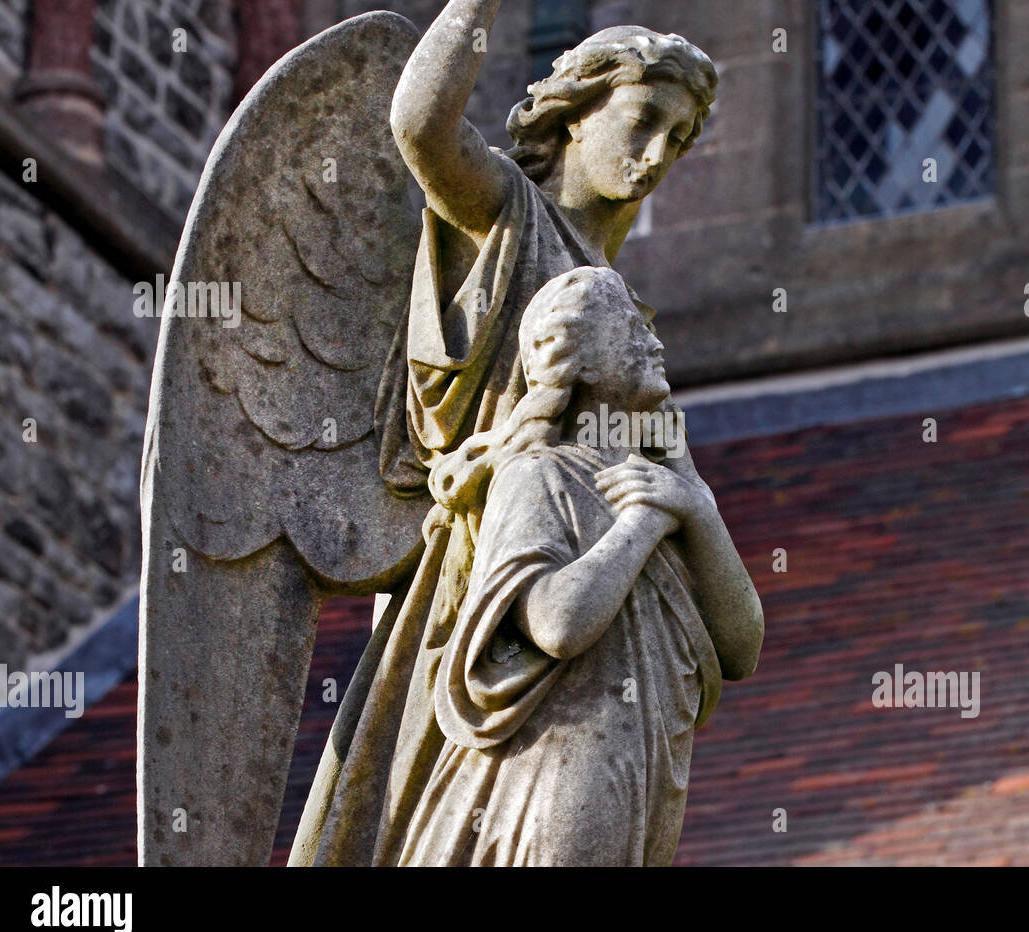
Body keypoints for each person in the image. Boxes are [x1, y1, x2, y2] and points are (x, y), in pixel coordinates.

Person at [291, 3, 726, 865]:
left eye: (677, 142)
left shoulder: (625, 313)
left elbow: (727, 614)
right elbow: (419, 125)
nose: (655, 158)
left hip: (606, 631)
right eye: (641, 123)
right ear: (571, 117)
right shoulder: (507, 219)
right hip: (487, 598)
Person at [400, 266, 762, 865]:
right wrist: (644, 520)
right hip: (562, 772)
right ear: (581, 361)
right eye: (631, 328)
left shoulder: (668, 495)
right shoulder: (540, 475)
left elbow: (742, 647)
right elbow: (557, 624)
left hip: (644, 772)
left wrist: (695, 502)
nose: (657, 343)